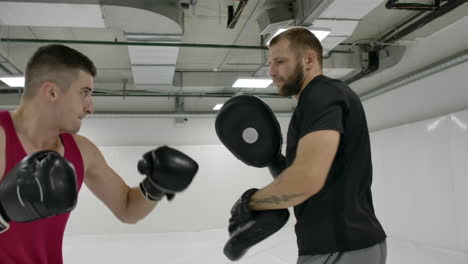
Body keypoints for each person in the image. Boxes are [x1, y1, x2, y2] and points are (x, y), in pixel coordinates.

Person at [0, 44, 198, 264]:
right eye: (84, 93)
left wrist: (156, 185)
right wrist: (3, 211)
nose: (90, 107)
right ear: (52, 92)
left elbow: (127, 208)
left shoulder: (82, 151)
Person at [227, 27, 387, 263]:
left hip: (338, 246)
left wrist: (249, 202)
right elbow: (316, 181)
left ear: (309, 59)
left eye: (280, 61)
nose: (271, 72)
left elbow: (305, 181)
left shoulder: (320, 95)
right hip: (349, 245)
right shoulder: (322, 98)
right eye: (271, 63)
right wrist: (276, 163)